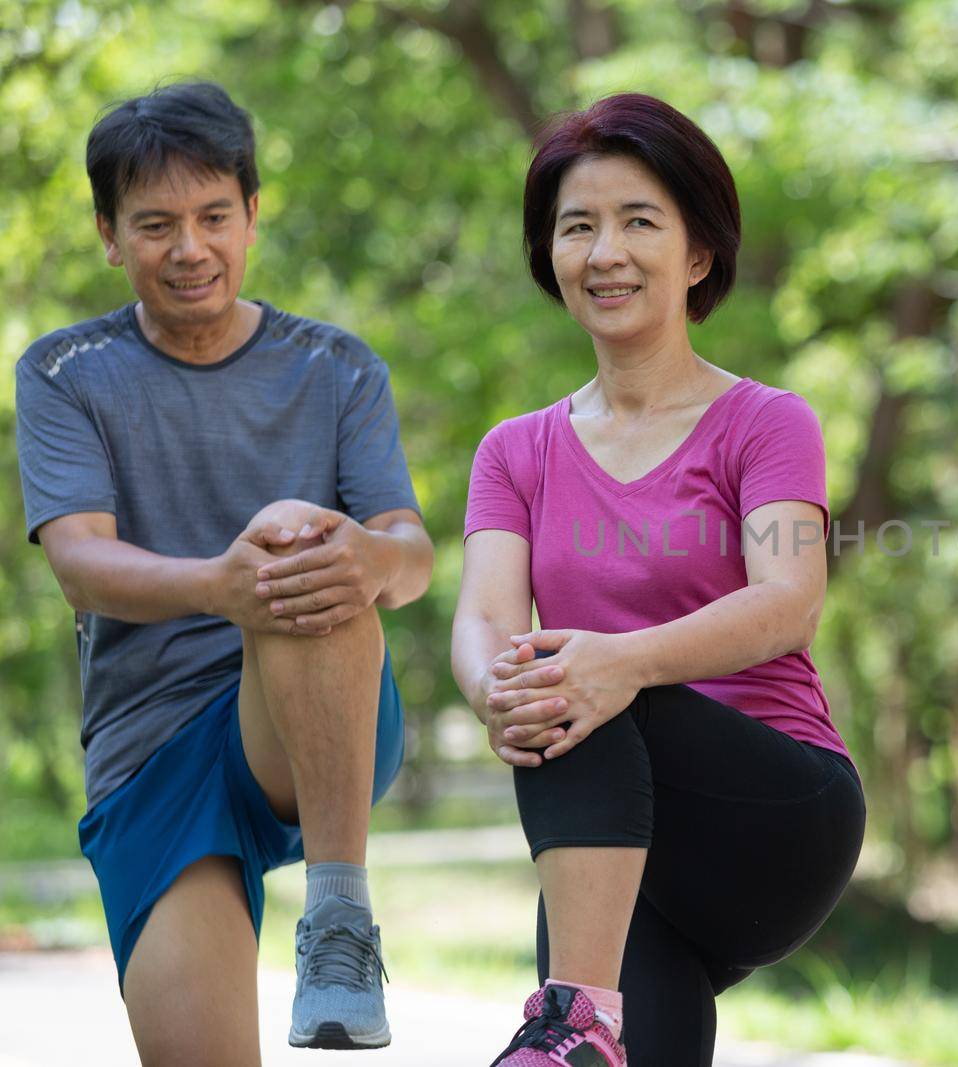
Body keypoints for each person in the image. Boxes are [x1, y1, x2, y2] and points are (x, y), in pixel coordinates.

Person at [15, 81, 432, 1062]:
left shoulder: (337, 366)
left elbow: (408, 552)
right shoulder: (64, 372)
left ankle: (340, 922)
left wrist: (368, 555)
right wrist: (220, 585)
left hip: (317, 720)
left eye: (213, 217)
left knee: (303, 536)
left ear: (252, 214)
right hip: (151, 741)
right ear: (111, 235)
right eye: (155, 223)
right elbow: (79, 559)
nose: (189, 247)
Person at [452, 92, 865, 1067]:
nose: (605, 252)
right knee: (541, 674)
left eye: (639, 221)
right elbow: (482, 614)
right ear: (549, 255)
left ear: (697, 253)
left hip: (775, 809)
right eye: (577, 226)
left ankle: (575, 1012)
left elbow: (787, 603)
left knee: (570, 679)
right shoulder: (515, 451)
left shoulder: (766, 422)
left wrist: (616, 664)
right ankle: (580, 1017)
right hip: (617, 839)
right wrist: (492, 689)